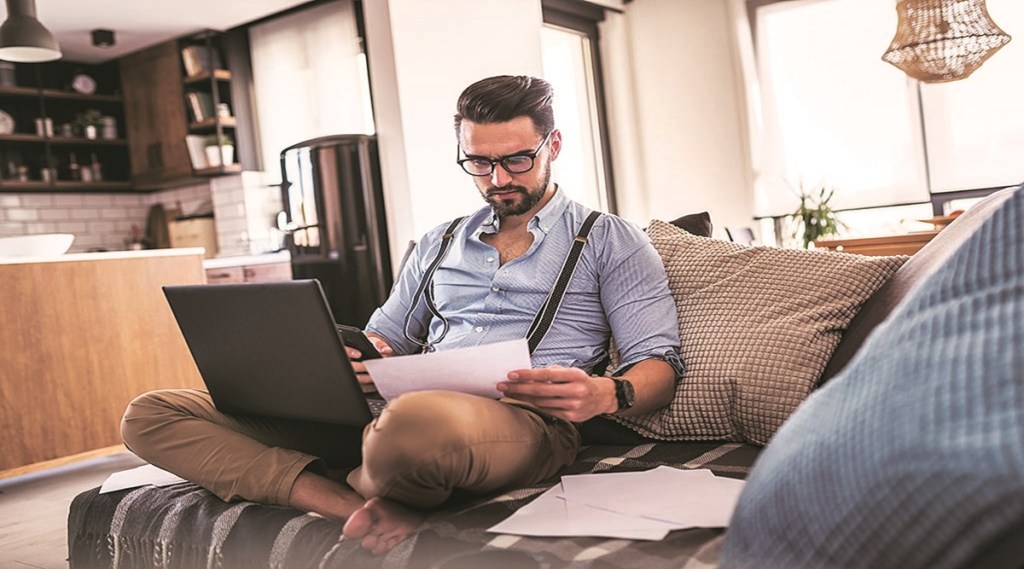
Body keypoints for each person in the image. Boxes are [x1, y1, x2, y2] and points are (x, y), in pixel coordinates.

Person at [121, 75, 682, 556]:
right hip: (391, 412)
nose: (498, 179)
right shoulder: (439, 242)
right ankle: (343, 499)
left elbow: (659, 363)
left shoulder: (610, 238)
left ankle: (372, 464)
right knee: (149, 414)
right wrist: (355, 355)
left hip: (518, 421)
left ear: (552, 144)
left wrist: (608, 395)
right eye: (478, 163)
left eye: (515, 159)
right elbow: (386, 335)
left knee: (412, 430)